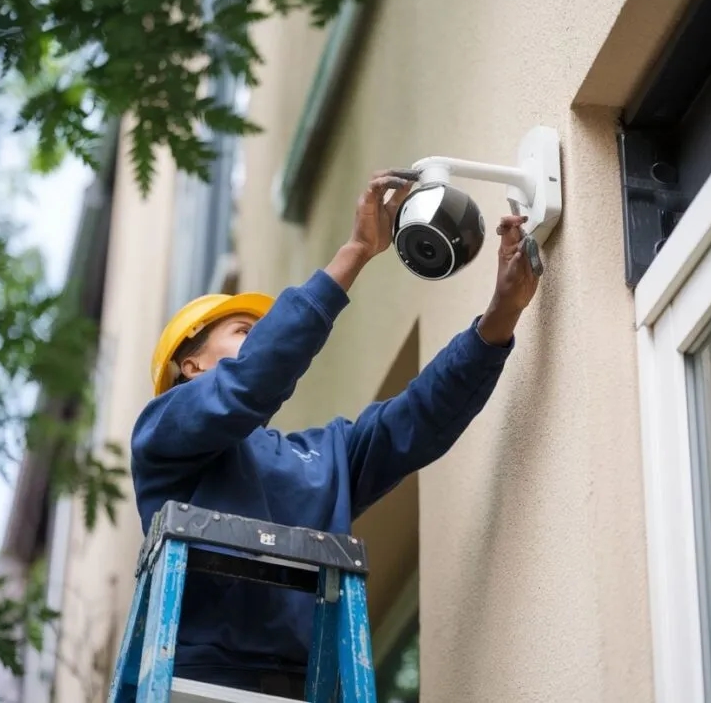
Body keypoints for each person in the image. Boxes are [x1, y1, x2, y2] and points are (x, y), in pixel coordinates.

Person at [130, 169, 541, 698]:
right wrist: (356, 252)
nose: (266, 339)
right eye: (246, 333)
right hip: (202, 681)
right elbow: (251, 382)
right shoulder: (163, 434)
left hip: (309, 684)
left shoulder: (322, 456)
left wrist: (501, 315)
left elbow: (417, 418)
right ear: (191, 367)